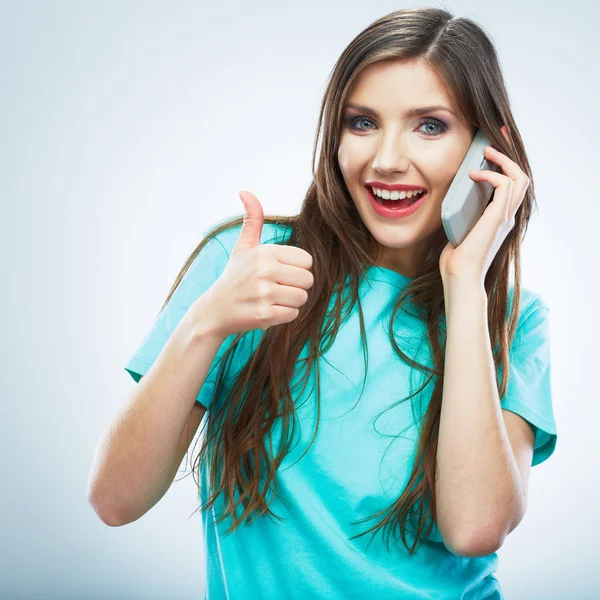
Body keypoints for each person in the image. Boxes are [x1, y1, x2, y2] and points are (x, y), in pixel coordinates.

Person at [88, 7, 557, 599]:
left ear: (488, 149)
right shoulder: (250, 265)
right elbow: (114, 500)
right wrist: (207, 323)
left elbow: (474, 529)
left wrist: (464, 287)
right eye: (362, 123)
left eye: (430, 126)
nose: (386, 159)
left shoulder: (513, 318)